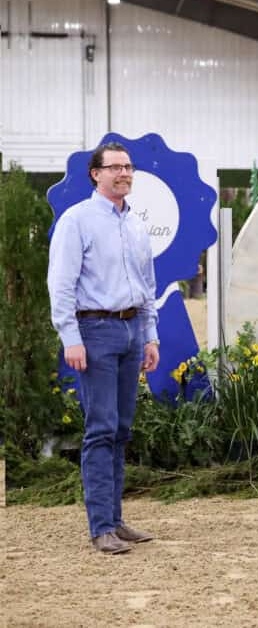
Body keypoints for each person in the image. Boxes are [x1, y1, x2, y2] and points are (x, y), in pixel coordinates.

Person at [47, 142, 160, 554]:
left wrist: (150, 335)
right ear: (96, 174)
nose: (124, 174)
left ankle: (115, 519)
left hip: (131, 331)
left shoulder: (135, 225)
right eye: (115, 167)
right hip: (94, 331)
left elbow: (147, 287)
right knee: (100, 429)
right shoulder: (77, 221)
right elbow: (60, 284)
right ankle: (100, 527)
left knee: (121, 430)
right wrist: (70, 337)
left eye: (128, 167)